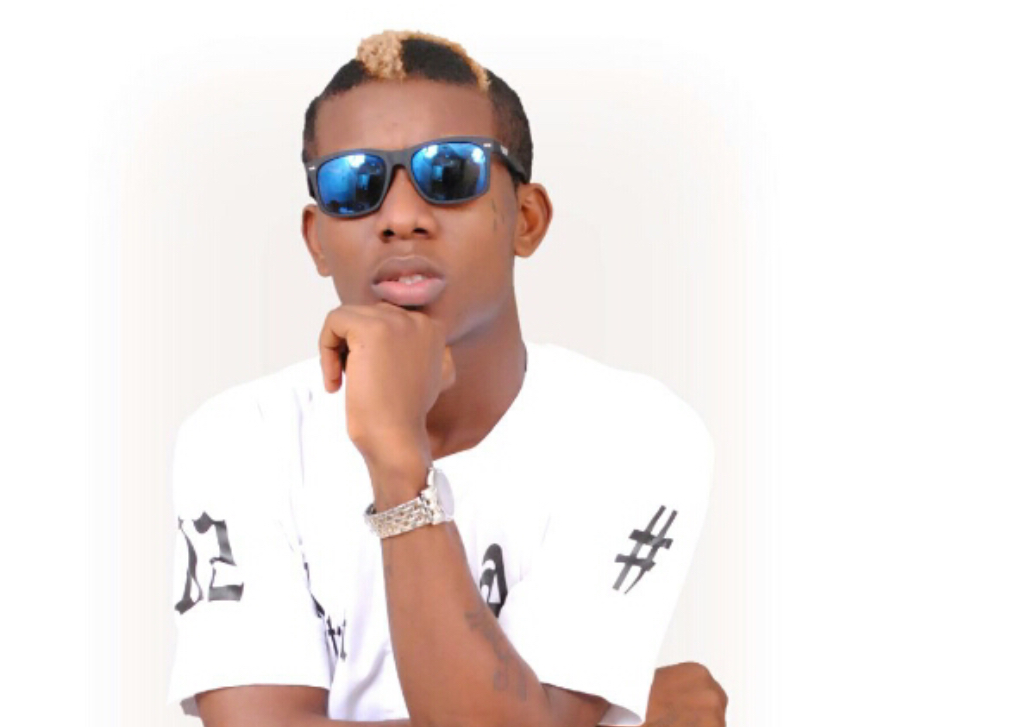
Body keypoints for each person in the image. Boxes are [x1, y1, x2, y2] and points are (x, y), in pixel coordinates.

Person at [167, 29, 727, 727]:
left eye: (451, 171)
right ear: (317, 239)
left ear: (526, 219)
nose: (401, 218)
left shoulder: (634, 431)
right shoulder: (240, 436)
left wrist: (397, 460)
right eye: (354, 183)